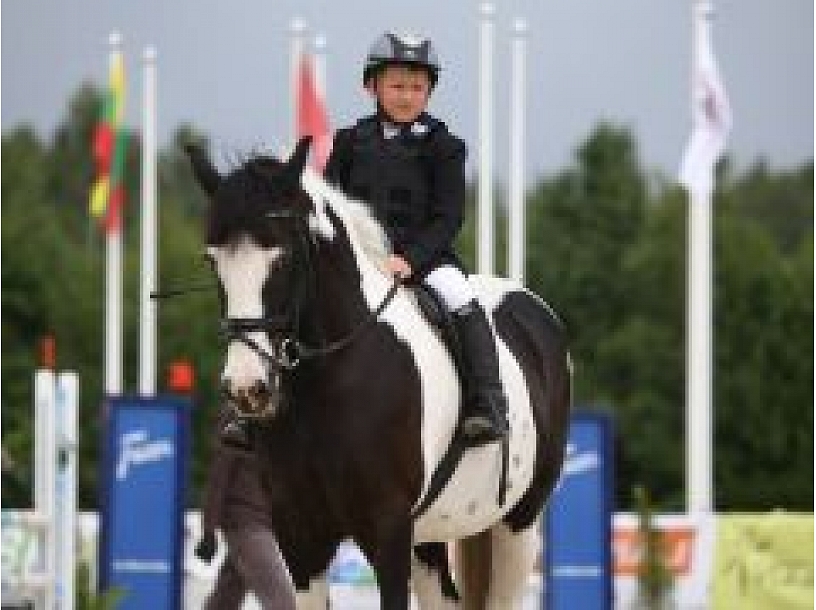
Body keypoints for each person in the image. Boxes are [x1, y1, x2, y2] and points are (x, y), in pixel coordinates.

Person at [323, 31, 508, 444]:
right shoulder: (349, 142)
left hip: (424, 261)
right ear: (372, 86)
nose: (407, 97)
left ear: (429, 91)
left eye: (417, 87)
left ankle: (487, 402)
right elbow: (332, 205)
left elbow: (448, 217)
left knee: (460, 297)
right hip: (359, 260)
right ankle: (260, 408)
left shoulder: (445, 147)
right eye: (397, 86)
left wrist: (408, 260)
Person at [198, 413, 297, 609]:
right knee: (282, 601)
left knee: (226, 597)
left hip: (264, 523)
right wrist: (208, 530)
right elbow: (219, 477)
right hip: (245, 523)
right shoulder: (239, 420)